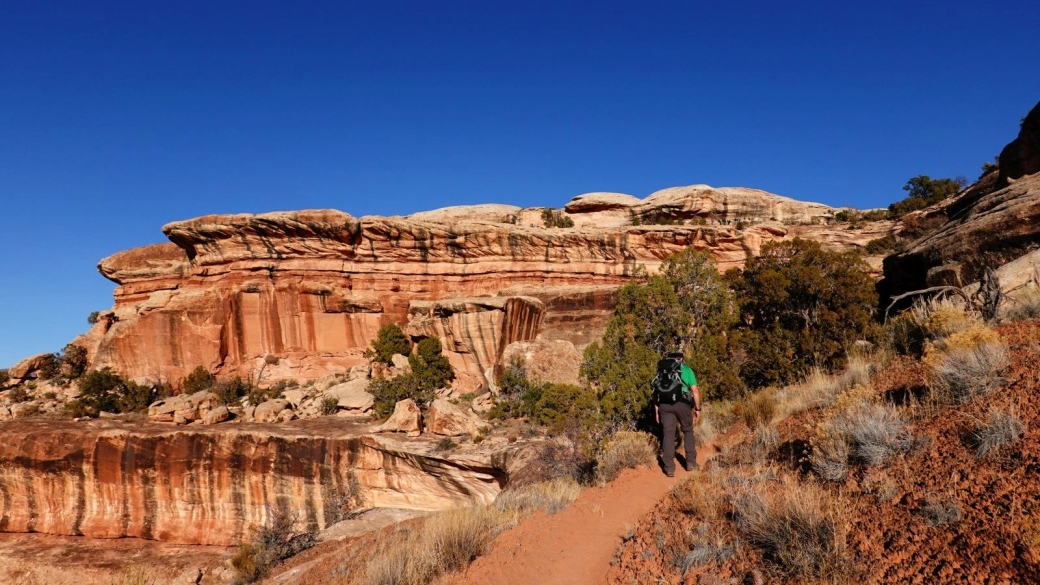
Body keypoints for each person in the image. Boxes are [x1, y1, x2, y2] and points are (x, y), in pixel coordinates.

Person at [652, 351, 701, 477]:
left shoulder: (662, 369)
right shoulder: (686, 369)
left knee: (668, 433)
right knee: (688, 431)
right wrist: (697, 408)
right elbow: (695, 390)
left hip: (664, 404)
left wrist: (657, 409)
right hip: (682, 404)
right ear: (682, 359)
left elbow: (656, 390)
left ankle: (669, 468)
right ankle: (690, 463)